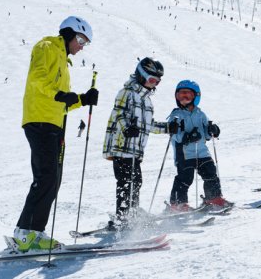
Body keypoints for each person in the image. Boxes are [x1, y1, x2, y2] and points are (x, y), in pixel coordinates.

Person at [13, 16, 99, 252]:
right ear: (70, 33)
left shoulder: (64, 62)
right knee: (46, 176)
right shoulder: (47, 46)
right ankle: (24, 234)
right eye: (81, 39)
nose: (82, 46)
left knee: (53, 179)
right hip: (40, 120)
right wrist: (61, 95)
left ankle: (34, 233)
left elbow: (61, 100)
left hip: (54, 122)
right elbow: (37, 79)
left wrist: (83, 99)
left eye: (85, 43)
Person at [102, 57, 173, 226]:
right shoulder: (126, 93)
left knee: (136, 181)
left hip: (135, 151)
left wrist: (168, 128)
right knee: (126, 182)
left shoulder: (146, 100)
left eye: (157, 82)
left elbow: (148, 125)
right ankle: (123, 217)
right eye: (151, 80)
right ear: (141, 76)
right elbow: (117, 113)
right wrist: (126, 128)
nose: (154, 84)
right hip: (121, 146)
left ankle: (132, 212)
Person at [166, 80, 231, 211]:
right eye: (181, 95)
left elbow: (207, 135)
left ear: (196, 97)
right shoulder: (176, 115)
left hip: (202, 152)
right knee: (185, 178)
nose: (184, 98)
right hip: (184, 153)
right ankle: (178, 203)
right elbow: (175, 136)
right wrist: (187, 137)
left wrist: (213, 130)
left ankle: (213, 198)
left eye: (188, 95)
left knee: (211, 173)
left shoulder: (200, 114)